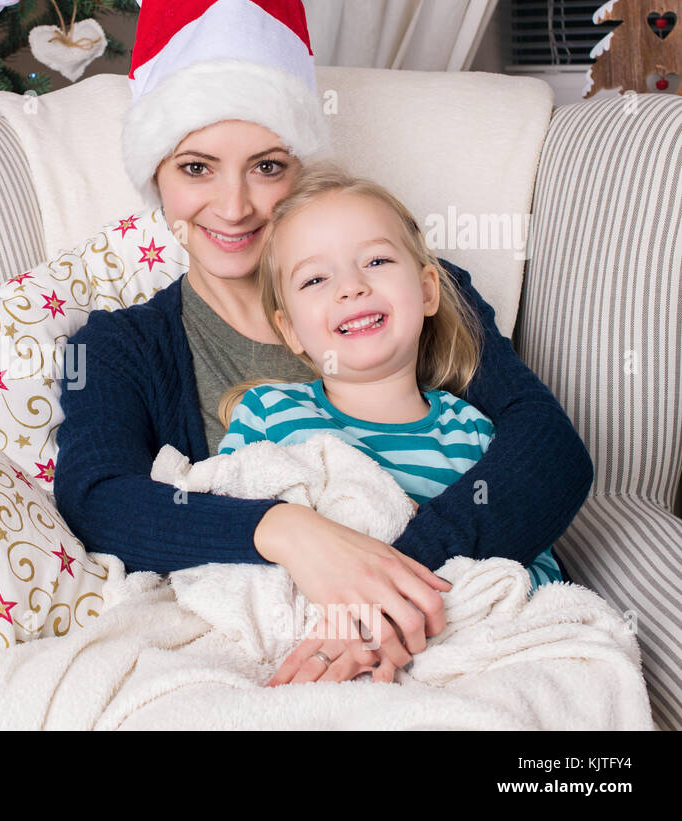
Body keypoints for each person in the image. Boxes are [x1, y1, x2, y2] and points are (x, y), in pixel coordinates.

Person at [52, 0, 593, 684]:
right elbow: (95, 495)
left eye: (267, 166)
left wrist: (390, 588)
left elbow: (550, 448)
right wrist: (288, 530)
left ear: (300, 167)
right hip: (280, 653)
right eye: (196, 168)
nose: (234, 204)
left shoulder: (399, 291)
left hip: (441, 624)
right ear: (154, 175)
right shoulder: (120, 345)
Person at [208, 164, 567, 683]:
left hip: (436, 655)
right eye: (315, 279)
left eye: (376, 260)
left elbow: (523, 573)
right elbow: (224, 530)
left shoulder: (475, 434)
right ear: (289, 329)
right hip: (301, 650)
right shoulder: (267, 413)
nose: (351, 287)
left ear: (426, 291)